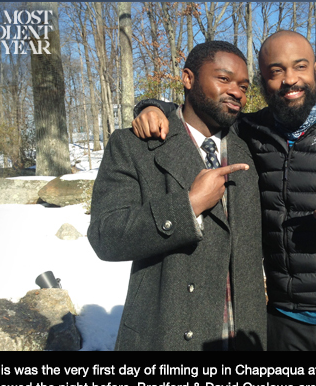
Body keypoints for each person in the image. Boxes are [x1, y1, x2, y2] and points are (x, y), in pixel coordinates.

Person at [132, 31, 316, 351]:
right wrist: (154, 107)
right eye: (276, 71)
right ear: (262, 79)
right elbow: (203, 111)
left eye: (300, 67)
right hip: (284, 323)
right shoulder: (251, 131)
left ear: (315, 69)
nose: (290, 79)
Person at [88, 41, 266, 351]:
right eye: (223, 79)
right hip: (168, 336)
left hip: (242, 333)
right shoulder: (134, 146)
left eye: (243, 85)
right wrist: (189, 205)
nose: (237, 91)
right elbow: (106, 235)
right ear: (188, 78)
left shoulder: (249, 145)